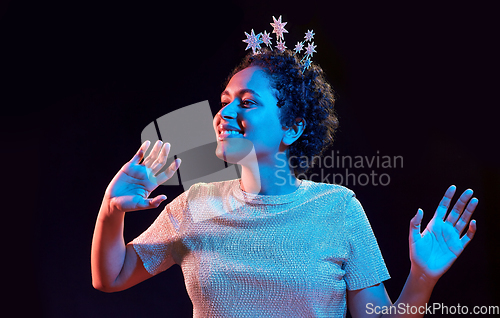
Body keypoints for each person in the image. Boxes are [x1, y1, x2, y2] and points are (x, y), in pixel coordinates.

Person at [91, 48, 478, 317]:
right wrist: (110, 209)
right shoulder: (195, 203)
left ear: (291, 129)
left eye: (247, 102)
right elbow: (112, 276)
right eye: (225, 100)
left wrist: (421, 278)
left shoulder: (339, 208)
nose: (224, 112)